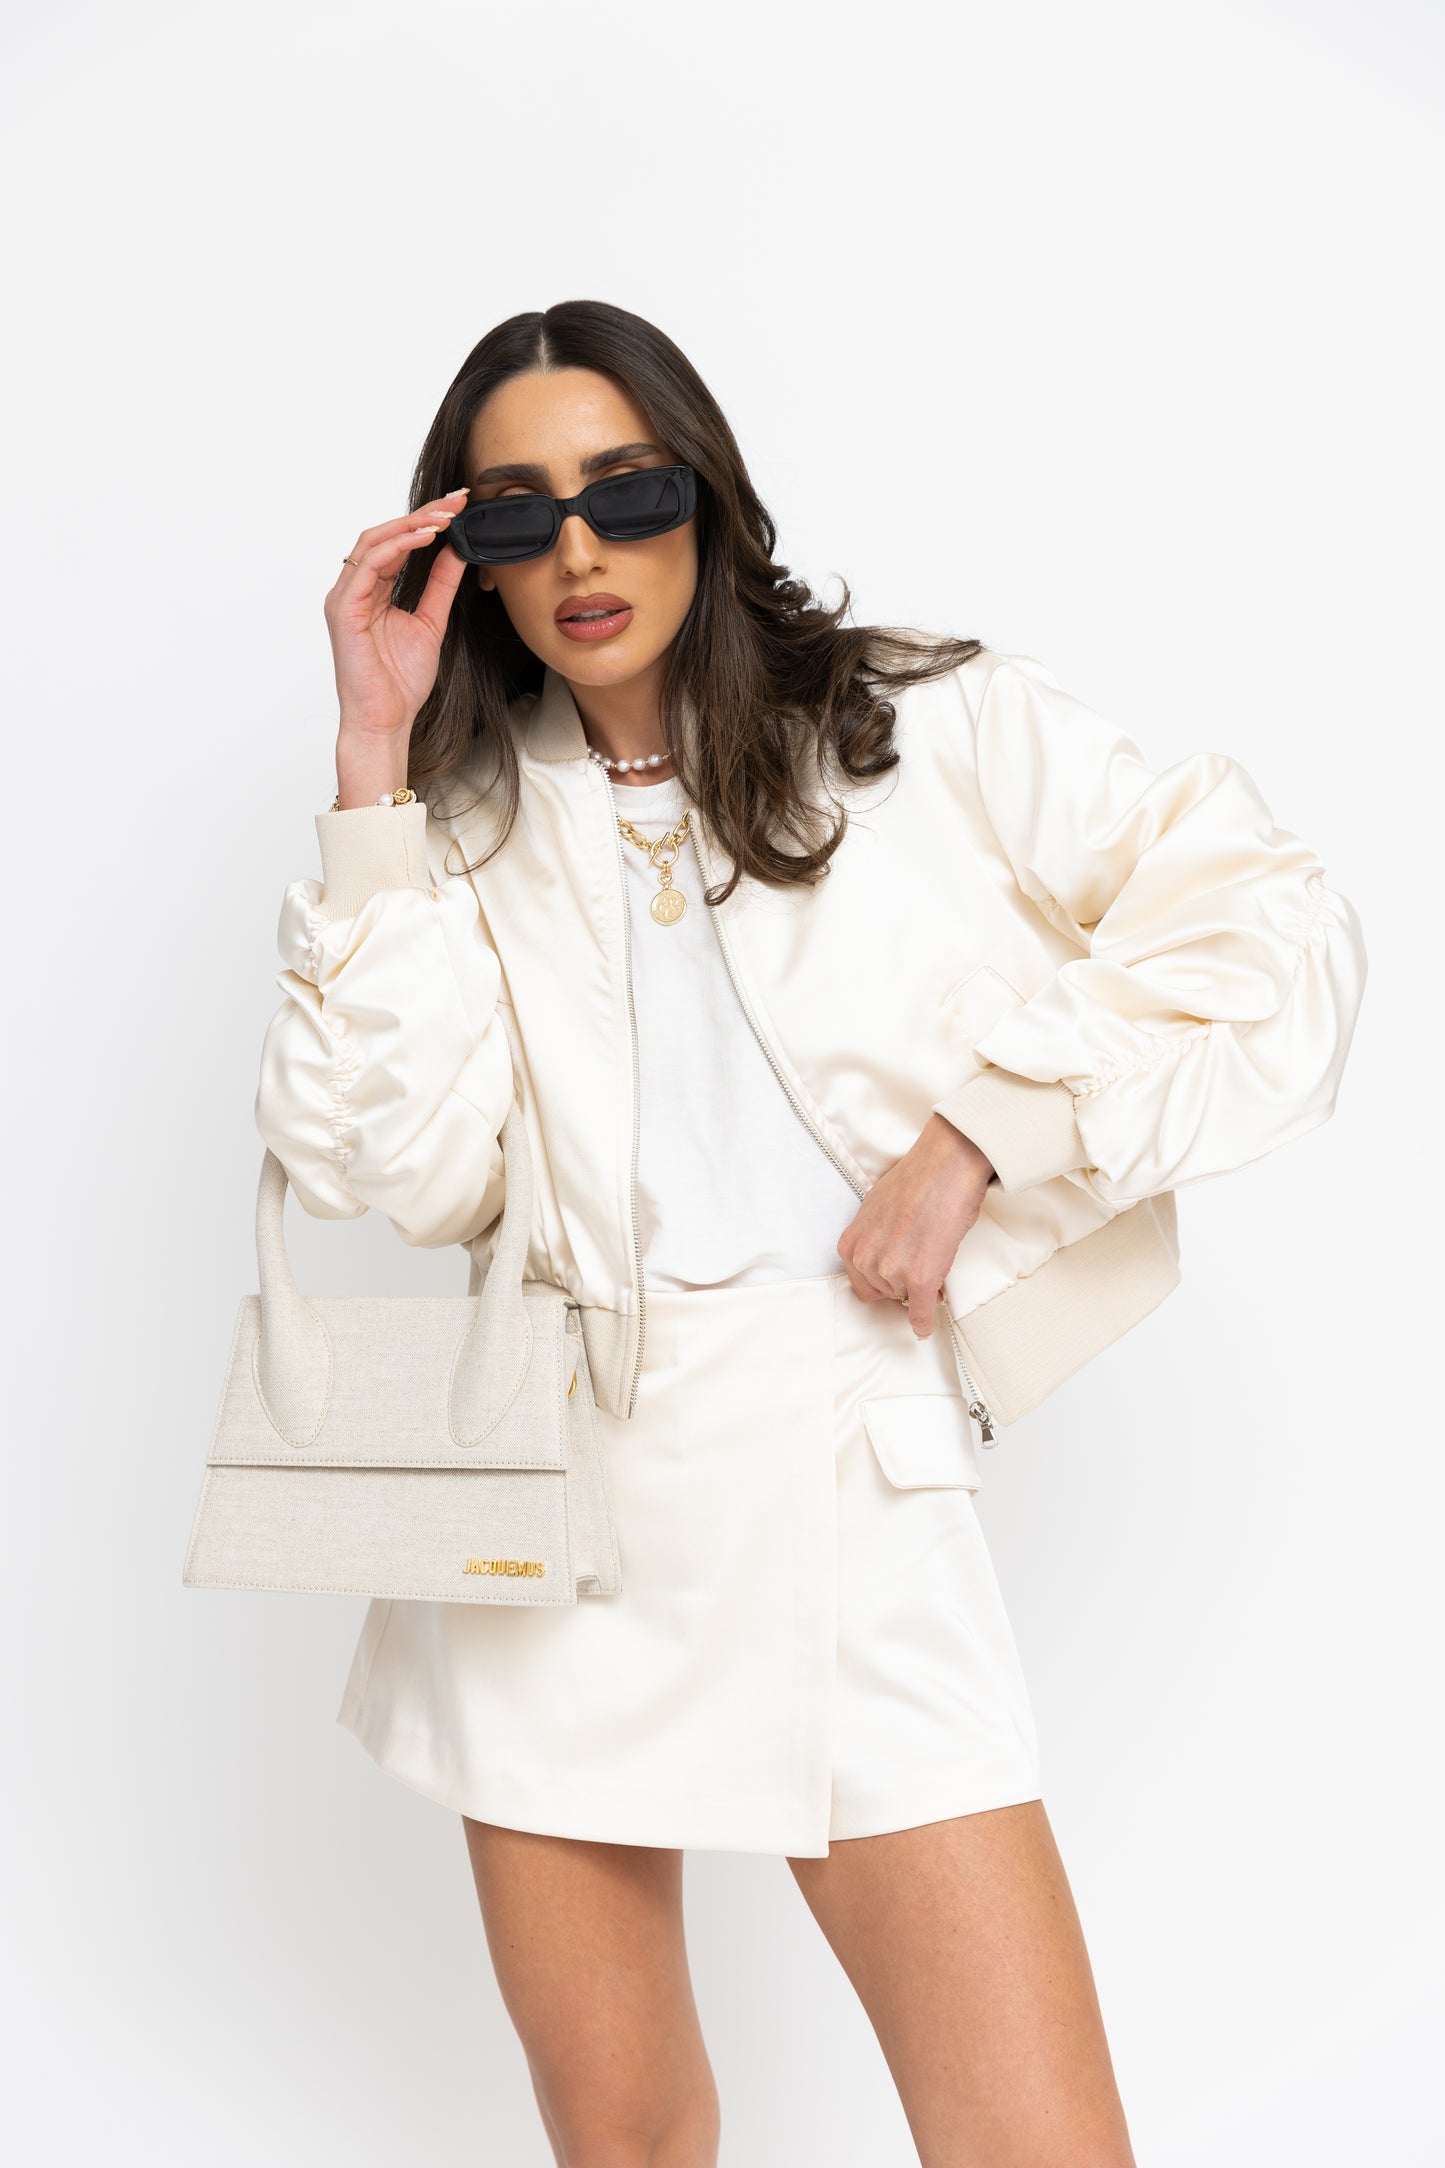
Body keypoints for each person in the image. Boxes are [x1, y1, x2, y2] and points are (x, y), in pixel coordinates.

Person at [253, 298, 1366, 2168]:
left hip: (854, 1470)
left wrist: (982, 1132)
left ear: (709, 495)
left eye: (627, 491)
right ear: (467, 556)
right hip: (543, 1499)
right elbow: (402, 1170)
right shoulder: (451, 820)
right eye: (519, 514)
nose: (580, 551)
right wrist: (372, 763)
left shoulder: (922, 726)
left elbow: (1274, 932)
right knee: (625, 2140)